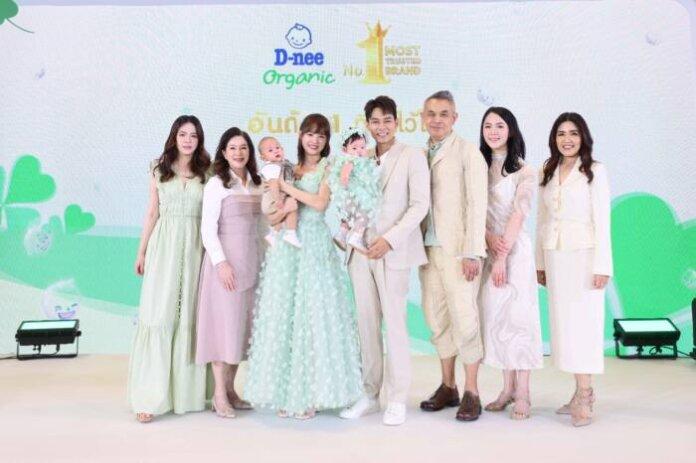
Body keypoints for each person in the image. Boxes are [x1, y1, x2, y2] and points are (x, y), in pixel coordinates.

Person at [245, 114, 363, 419]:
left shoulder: (328, 167)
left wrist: (287, 188)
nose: (315, 140)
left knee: (313, 317)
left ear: (326, 141)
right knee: (285, 316)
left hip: (314, 244)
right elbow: (273, 211)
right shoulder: (288, 167)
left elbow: (320, 203)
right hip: (288, 244)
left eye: (321, 136)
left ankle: (311, 393)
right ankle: (287, 392)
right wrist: (280, 202)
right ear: (300, 136)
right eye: (310, 134)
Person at [340, 96, 430, 426]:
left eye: (387, 120)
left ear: (397, 121)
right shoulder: (359, 157)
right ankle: (369, 393)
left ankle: (397, 398)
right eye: (375, 121)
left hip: (392, 252)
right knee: (366, 325)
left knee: (394, 325)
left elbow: (419, 205)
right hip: (360, 252)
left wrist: (389, 239)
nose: (381, 127)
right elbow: (348, 199)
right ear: (367, 125)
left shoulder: (412, 155)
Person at [128, 115, 211, 423]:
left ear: (199, 140)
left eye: (193, 135)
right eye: (183, 134)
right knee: (159, 314)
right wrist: (141, 251)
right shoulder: (158, 168)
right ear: (174, 137)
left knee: (189, 314)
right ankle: (149, 396)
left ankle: (187, 394)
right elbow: (152, 212)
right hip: (164, 246)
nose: (188, 140)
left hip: (196, 248)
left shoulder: (208, 171)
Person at [536, 112, 613, 427]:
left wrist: (602, 265)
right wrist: (540, 263)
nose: (567, 139)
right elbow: (542, 220)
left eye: (573, 133)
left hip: (584, 256)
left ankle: (585, 394)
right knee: (565, 328)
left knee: (584, 326)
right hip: (555, 256)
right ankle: (577, 391)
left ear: (583, 137)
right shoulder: (548, 169)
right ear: (554, 139)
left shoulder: (595, 171)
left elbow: (602, 221)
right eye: (561, 134)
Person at [417, 90, 488, 422]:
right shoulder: (420, 154)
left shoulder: (467, 152)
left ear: (455, 118)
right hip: (427, 249)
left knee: (464, 318)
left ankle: (472, 391)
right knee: (435, 318)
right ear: (422, 118)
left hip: (459, 252)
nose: (437, 120)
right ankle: (448, 386)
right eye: (431, 114)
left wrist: (473, 251)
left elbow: (477, 204)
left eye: (444, 114)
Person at [478, 107, 543, 420]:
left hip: (515, 252)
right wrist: (488, 238)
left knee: (520, 320)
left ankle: (524, 393)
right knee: (498, 319)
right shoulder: (478, 167)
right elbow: (472, 210)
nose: (493, 131)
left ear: (511, 130)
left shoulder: (526, 171)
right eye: (488, 126)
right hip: (488, 248)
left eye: (500, 126)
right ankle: (506, 389)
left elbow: (519, 213)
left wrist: (502, 256)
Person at [196, 127, 264, 418]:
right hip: (226, 267)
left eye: (243, 147)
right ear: (223, 153)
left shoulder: (258, 183)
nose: (239, 153)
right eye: (233, 148)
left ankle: (232, 389)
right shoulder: (217, 184)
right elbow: (207, 229)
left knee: (241, 328)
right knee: (223, 329)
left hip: (252, 262)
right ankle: (219, 394)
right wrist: (221, 263)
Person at [327, 126, 380, 251]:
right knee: (365, 214)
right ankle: (357, 236)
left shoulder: (361, 161)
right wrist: (345, 186)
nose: (359, 151)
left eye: (362, 147)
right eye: (354, 148)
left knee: (348, 218)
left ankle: (341, 235)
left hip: (349, 198)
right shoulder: (351, 161)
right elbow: (344, 175)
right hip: (351, 195)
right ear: (345, 150)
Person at [257, 136, 301, 248]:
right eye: (270, 150)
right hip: (272, 199)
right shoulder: (271, 167)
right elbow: (273, 184)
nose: (276, 151)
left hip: (276, 198)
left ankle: (274, 235)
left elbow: (294, 170)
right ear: (263, 157)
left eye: (278, 148)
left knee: (286, 211)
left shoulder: (284, 164)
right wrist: (278, 200)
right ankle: (290, 233)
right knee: (292, 205)